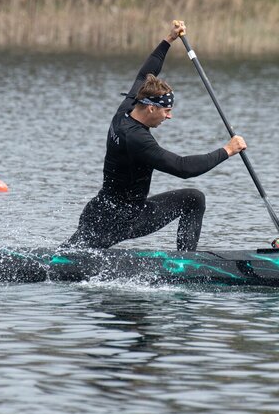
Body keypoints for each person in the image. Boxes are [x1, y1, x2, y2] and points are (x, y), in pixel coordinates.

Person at [62, 20, 246, 251]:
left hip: (100, 212)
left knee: (193, 199)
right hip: (119, 221)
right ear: (151, 108)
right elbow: (182, 167)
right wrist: (227, 150)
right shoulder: (137, 139)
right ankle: (185, 267)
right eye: (166, 111)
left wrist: (169, 40)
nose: (169, 117)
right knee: (63, 262)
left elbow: (146, 72)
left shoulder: (127, 109)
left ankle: (186, 262)